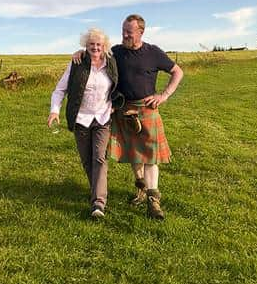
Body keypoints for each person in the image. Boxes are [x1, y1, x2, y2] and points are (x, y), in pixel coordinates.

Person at [73, 14, 183, 219]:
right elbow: (95, 54)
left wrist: (164, 95)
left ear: (141, 32)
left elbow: (177, 72)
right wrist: (81, 52)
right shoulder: (115, 52)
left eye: (129, 32)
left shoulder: (154, 52)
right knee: (135, 155)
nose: (124, 35)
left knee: (150, 157)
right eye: (123, 30)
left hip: (147, 109)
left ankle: (153, 201)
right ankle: (140, 188)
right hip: (124, 110)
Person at [48, 28, 119, 219]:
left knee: (99, 158)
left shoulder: (112, 62)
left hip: (103, 118)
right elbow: (59, 90)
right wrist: (54, 111)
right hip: (81, 119)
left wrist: (116, 104)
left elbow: (119, 85)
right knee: (88, 161)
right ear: (85, 46)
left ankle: (98, 203)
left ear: (104, 46)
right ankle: (97, 188)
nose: (95, 48)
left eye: (99, 44)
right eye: (91, 44)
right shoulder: (76, 63)